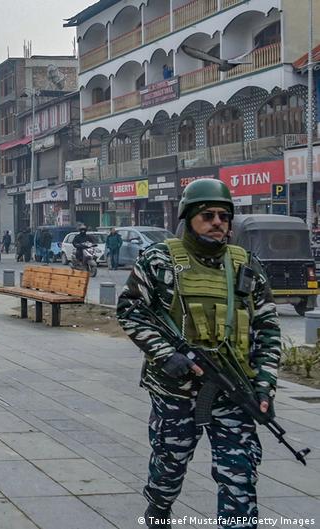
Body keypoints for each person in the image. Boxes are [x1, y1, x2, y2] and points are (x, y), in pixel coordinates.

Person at [117, 178, 280, 529]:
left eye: (224, 215)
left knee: (240, 477)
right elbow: (130, 310)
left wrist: (265, 386)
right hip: (176, 392)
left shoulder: (245, 265)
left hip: (234, 392)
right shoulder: (160, 260)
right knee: (169, 467)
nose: (218, 222)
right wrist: (167, 356)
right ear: (188, 217)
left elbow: (268, 329)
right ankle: (158, 510)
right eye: (207, 215)